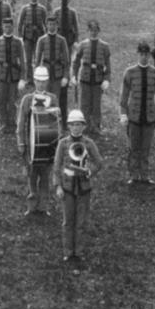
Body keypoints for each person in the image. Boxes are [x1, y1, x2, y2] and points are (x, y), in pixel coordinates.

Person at [52, 109, 105, 263]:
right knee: (68, 221)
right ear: (68, 126)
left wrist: (90, 171)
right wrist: (58, 186)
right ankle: (68, 251)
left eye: (79, 124)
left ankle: (79, 251)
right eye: (73, 124)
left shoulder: (89, 143)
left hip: (84, 188)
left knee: (81, 221)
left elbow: (99, 162)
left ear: (83, 126)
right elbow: (56, 167)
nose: (76, 127)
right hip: (68, 187)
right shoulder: (63, 143)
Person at [16, 66, 60, 215]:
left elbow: (57, 123)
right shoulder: (27, 99)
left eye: (44, 81)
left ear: (47, 81)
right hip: (30, 145)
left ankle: (43, 206)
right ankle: (31, 205)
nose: (41, 84)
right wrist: (21, 142)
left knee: (45, 176)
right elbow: (21, 122)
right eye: (38, 81)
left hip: (47, 144)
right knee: (32, 175)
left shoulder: (53, 98)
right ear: (34, 81)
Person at [120, 40, 155, 185]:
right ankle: (133, 175)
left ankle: (144, 175)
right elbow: (124, 95)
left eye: (146, 54)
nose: (144, 57)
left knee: (146, 148)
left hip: (149, 117)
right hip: (134, 116)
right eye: (141, 54)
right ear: (138, 54)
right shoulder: (130, 72)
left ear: (149, 55)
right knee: (133, 148)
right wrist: (123, 113)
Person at [70, 20, 112, 136]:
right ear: (88, 31)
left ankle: (96, 127)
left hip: (98, 80)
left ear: (98, 31)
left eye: (95, 30)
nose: (93, 33)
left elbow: (108, 65)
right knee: (84, 105)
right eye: (91, 30)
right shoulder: (82, 45)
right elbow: (76, 62)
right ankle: (84, 127)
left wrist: (106, 79)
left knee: (96, 106)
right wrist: (73, 75)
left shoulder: (104, 46)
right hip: (85, 80)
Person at [0, 15, 27, 133]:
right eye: (5, 27)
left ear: (13, 27)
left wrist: (22, 79)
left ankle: (12, 122)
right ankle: (2, 123)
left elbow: (23, 60)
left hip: (14, 77)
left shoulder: (18, 42)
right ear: (2, 27)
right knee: (1, 101)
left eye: (9, 27)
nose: (7, 29)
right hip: (0, 77)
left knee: (12, 101)